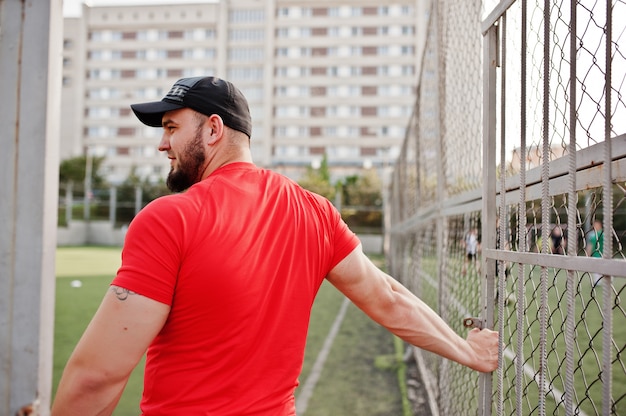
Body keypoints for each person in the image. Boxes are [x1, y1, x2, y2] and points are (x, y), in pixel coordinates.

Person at [51, 76, 499, 416]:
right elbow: (388, 298)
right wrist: (468, 351)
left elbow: (97, 377)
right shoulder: (315, 211)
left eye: (171, 127)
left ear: (212, 129)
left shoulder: (170, 217)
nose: (161, 143)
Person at [587, 219, 604, 285]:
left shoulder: (602, 234)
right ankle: (597, 281)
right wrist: (588, 253)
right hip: (595, 253)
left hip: (601, 253)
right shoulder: (592, 234)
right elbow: (590, 245)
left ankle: (598, 280)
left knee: (600, 267)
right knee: (596, 267)